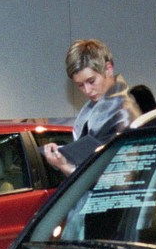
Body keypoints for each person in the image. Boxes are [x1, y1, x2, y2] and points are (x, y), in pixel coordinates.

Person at [42, 39, 139, 175]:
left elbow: (122, 177)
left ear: (109, 69)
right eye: (80, 85)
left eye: (91, 81)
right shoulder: (100, 108)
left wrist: (66, 166)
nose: (87, 90)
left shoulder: (124, 114)